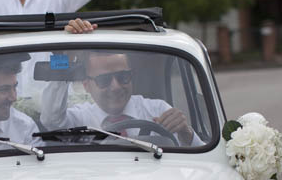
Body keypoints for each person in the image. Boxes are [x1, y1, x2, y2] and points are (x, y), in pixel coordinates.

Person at [39, 18, 203, 146]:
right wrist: (62, 56)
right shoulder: (79, 119)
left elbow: (199, 158)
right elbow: (50, 120)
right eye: (104, 80)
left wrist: (185, 133)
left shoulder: (158, 110)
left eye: (123, 76)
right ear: (86, 85)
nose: (116, 86)